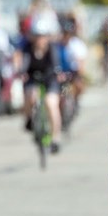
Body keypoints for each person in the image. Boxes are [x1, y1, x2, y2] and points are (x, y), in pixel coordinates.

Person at [18, 17, 63, 154]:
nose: (40, 39)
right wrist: (22, 72)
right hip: (33, 78)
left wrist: (57, 73)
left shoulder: (52, 49)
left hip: (49, 79)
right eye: (37, 36)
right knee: (30, 96)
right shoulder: (27, 48)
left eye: (42, 36)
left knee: (51, 104)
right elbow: (24, 64)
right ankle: (29, 118)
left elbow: (56, 65)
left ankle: (55, 138)